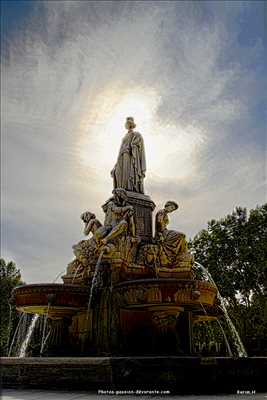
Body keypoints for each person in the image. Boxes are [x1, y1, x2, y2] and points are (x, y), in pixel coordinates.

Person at [111, 117, 146, 193]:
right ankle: (121, 189)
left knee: (127, 173)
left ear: (132, 125)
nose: (129, 125)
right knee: (117, 172)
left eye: (130, 123)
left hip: (129, 155)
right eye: (127, 123)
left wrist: (133, 145)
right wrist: (116, 164)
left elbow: (139, 144)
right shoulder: (124, 136)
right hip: (121, 156)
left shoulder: (136, 134)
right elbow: (121, 148)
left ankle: (129, 188)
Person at [155, 201, 188, 267]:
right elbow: (159, 222)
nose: (172, 210)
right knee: (181, 235)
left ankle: (182, 254)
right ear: (168, 205)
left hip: (165, 231)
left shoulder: (165, 214)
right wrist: (160, 234)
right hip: (162, 233)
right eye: (172, 208)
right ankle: (179, 254)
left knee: (182, 237)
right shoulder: (161, 212)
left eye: (173, 209)